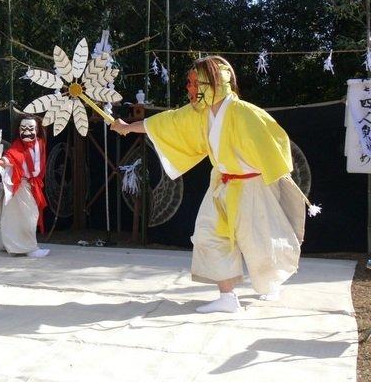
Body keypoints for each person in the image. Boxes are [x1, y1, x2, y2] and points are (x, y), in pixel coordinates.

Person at [111, 55, 306, 313]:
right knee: (207, 235)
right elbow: (168, 122)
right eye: (189, 83)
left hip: (252, 186)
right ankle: (227, 297)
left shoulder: (245, 113)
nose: (189, 88)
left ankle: (271, 283)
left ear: (211, 83)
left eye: (194, 83)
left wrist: (278, 177)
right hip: (222, 184)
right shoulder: (200, 114)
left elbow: (274, 142)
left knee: (260, 239)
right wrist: (128, 127)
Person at [0, 116, 50, 258]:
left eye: (30, 128)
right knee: (27, 217)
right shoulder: (17, 145)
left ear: (37, 129)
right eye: (23, 128)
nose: (27, 132)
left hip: (32, 185)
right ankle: (29, 248)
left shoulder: (40, 144)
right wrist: (1, 161)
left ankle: (11, 245)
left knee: (25, 216)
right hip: (19, 185)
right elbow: (12, 157)